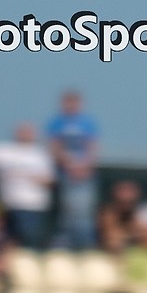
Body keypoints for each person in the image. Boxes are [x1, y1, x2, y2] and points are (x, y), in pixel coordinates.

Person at [0, 125, 54, 249]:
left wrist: (29, 177)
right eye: (22, 132)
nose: (25, 134)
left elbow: (49, 181)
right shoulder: (7, 151)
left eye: (28, 132)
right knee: (11, 243)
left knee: (31, 243)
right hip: (10, 206)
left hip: (34, 207)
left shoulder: (41, 155)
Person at [46, 90, 100, 250]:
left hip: (84, 174)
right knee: (66, 210)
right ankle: (66, 244)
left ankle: (86, 245)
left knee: (83, 211)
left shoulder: (88, 122)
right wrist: (68, 163)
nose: (71, 106)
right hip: (64, 172)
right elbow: (54, 146)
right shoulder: (56, 122)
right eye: (67, 102)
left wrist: (85, 165)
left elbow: (93, 146)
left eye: (74, 102)